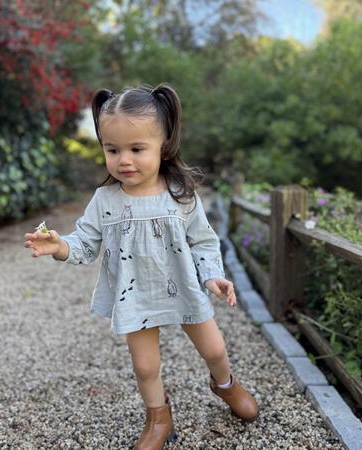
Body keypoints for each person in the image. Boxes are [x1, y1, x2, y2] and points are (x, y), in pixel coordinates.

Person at [23, 83, 258, 450]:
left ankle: (225, 385)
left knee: (214, 349)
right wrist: (59, 246)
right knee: (146, 367)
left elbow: (204, 240)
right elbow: (85, 243)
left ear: (162, 146)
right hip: (136, 295)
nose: (124, 160)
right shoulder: (105, 200)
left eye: (136, 149)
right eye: (112, 150)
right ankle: (158, 417)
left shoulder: (180, 194)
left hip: (183, 286)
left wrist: (212, 275)